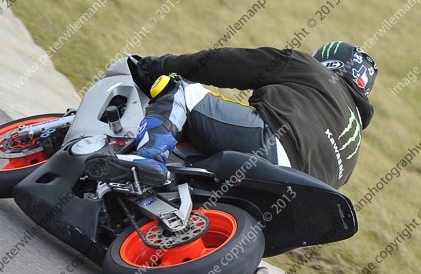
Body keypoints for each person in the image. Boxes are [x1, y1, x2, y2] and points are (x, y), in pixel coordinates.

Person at [85, 42, 377, 188]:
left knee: (181, 90)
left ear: (326, 61)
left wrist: (159, 66)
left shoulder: (310, 69)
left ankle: (149, 159)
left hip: (269, 144)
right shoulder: (354, 145)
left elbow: (225, 64)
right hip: (298, 196)